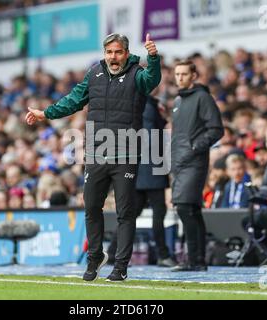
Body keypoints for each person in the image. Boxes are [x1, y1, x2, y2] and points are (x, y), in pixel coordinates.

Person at [26, 33, 161, 281]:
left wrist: (153, 58)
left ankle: (120, 266)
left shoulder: (137, 73)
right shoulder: (94, 74)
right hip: (97, 153)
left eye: (118, 52)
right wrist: (46, 113)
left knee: (125, 212)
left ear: (127, 53)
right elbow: (73, 100)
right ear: (104, 53)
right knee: (91, 207)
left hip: (126, 153)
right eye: (109, 52)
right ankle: (95, 256)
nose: (113, 57)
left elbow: (152, 80)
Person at [106, 94, 176, 267]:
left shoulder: (136, 101)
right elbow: (152, 135)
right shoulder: (147, 104)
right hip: (151, 167)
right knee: (158, 213)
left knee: (130, 214)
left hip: (139, 168)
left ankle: (112, 252)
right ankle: (162, 254)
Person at [170, 60, 224, 272]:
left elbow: (216, 129)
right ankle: (197, 260)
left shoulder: (203, 98)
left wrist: (195, 147)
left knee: (184, 207)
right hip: (179, 162)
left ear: (194, 75)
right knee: (191, 209)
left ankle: (194, 259)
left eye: (184, 74)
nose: (180, 78)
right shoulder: (178, 101)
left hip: (194, 161)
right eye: (177, 74)